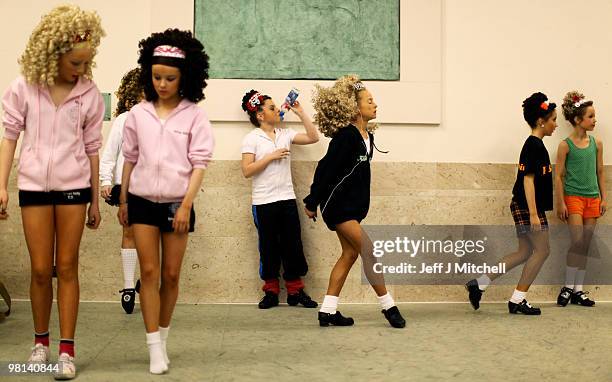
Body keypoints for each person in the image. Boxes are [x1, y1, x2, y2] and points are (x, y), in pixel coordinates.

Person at [0, 4, 105, 379]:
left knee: (67, 266)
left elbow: (93, 147)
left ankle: (66, 350)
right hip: (33, 187)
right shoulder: (22, 89)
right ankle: (40, 342)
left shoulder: (90, 95)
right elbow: (10, 137)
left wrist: (94, 196)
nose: (82, 70)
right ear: (53, 53)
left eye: (86, 62)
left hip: (75, 188)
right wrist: (1, 186)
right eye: (75, 63)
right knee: (41, 269)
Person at [118, 28, 214, 375]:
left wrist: (187, 204)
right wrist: (124, 199)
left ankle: (164, 334)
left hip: (178, 202)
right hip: (142, 201)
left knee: (171, 275)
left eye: (170, 78)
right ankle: (153, 348)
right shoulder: (138, 115)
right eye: (156, 76)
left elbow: (199, 163)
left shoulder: (194, 116)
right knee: (148, 271)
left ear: (184, 78)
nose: (162, 84)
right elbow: (129, 157)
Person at [303, 75, 406, 328]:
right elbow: (325, 168)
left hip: (351, 208)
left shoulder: (365, 135)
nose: (375, 104)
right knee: (369, 250)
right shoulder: (346, 137)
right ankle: (388, 306)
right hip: (338, 208)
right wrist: (312, 200)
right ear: (355, 107)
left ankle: (327, 311)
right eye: (369, 101)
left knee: (349, 254)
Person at [466, 92, 557, 315]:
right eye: (553, 119)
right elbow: (528, 180)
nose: (555, 124)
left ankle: (480, 283)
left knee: (525, 251)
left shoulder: (537, 145)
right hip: (527, 206)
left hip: (524, 205)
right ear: (540, 121)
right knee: (543, 251)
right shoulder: (533, 146)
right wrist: (534, 215)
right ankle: (517, 299)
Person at [241, 89, 319, 309]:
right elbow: (246, 170)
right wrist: (270, 157)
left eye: (276, 106)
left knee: (292, 245)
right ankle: (271, 292)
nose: (277, 110)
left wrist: (301, 113)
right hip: (263, 202)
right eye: (271, 107)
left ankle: (296, 291)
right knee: (268, 247)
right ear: (260, 115)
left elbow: (314, 137)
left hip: (286, 199)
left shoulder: (285, 134)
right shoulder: (251, 139)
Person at [554, 91, 604, 307]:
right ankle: (567, 286)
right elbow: (558, 175)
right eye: (591, 116)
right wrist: (560, 202)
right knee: (577, 242)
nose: (595, 120)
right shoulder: (565, 145)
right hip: (573, 197)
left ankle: (578, 291)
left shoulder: (597, 144)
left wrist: (603, 198)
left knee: (586, 244)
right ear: (577, 119)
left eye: (594, 116)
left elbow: (600, 171)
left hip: (593, 198)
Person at [99, 68, 143, 314]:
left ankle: (144, 280)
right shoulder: (124, 120)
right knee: (129, 233)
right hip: (127, 187)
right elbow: (110, 154)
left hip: (153, 188)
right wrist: (106, 181)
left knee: (151, 236)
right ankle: (128, 287)